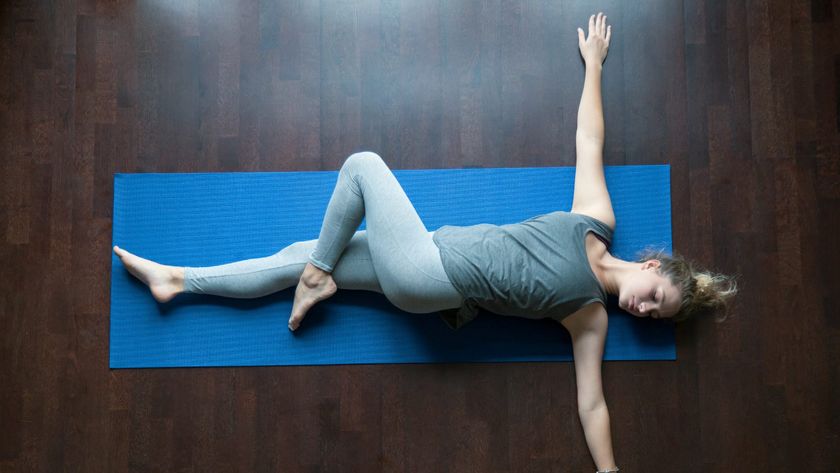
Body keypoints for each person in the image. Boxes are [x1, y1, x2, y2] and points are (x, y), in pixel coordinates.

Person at [112, 13, 736, 473]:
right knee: (294, 256)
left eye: (654, 316)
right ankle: (180, 281)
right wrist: (595, 66)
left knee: (361, 166)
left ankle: (314, 279)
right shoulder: (596, 220)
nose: (644, 309)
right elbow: (589, 143)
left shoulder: (588, 318)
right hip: (423, 258)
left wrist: (609, 472)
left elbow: (593, 403)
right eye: (656, 295)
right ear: (653, 264)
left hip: (431, 275)